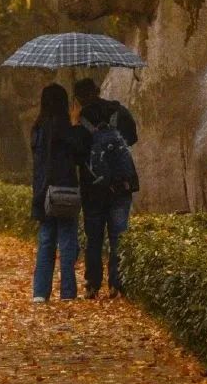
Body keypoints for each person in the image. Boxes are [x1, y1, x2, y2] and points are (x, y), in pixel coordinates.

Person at [73, 77, 139, 300]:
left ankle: (93, 284)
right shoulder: (118, 111)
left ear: (78, 98)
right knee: (118, 236)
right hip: (121, 185)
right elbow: (132, 138)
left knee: (94, 238)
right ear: (98, 90)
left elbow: (76, 154)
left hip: (93, 190)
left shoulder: (81, 119)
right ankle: (116, 284)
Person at [31, 82, 91, 303]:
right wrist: (76, 123)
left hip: (43, 192)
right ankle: (67, 292)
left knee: (46, 241)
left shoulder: (37, 128)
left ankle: (40, 292)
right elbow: (80, 152)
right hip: (64, 190)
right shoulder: (64, 127)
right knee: (67, 242)